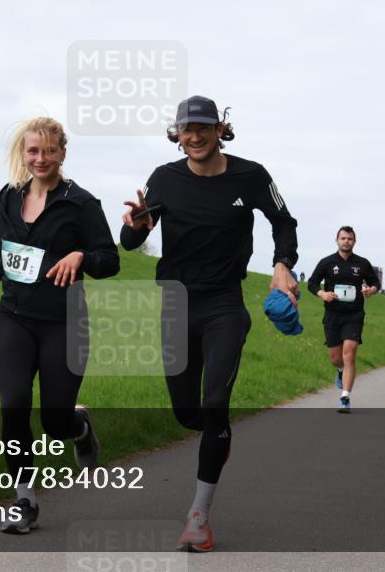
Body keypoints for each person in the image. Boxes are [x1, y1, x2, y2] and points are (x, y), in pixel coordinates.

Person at [120, 95, 299, 552]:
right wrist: (137, 227)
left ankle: (198, 517)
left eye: (203, 127)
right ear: (177, 134)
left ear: (220, 128)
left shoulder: (251, 175)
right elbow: (129, 237)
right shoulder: (164, 178)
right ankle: (214, 436)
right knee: (186, 413)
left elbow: (283, 220)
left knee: (215, 403)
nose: (195, 136)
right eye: (186, 129)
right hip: (177, 304)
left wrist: (282, 264)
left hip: (224, 305)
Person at [0, 117, 119, 534]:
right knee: (13, 406)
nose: (40, 158)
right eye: (32, 151)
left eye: (48, 150)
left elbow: (109, 260)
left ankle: (79, 427)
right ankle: (24, 501)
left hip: (64, 322)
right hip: (14, 318)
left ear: (62, 153)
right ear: (23, 154)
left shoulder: (81, 204)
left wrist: (81, 256)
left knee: (54, 423)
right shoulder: (8, 198)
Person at [307, 226, 380, 413]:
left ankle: (345, 397)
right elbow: (312, 283)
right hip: (332, 314)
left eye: (350, 238)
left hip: (354, 314)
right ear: (337, 240)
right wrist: (322, 293)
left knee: (350, 352)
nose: (346, 241)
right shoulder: (327, 262)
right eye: (343, 238)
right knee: (335, 358)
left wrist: (370, 290)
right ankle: (340, 371)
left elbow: (376, 283)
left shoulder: (362, 264)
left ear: (354, 241)